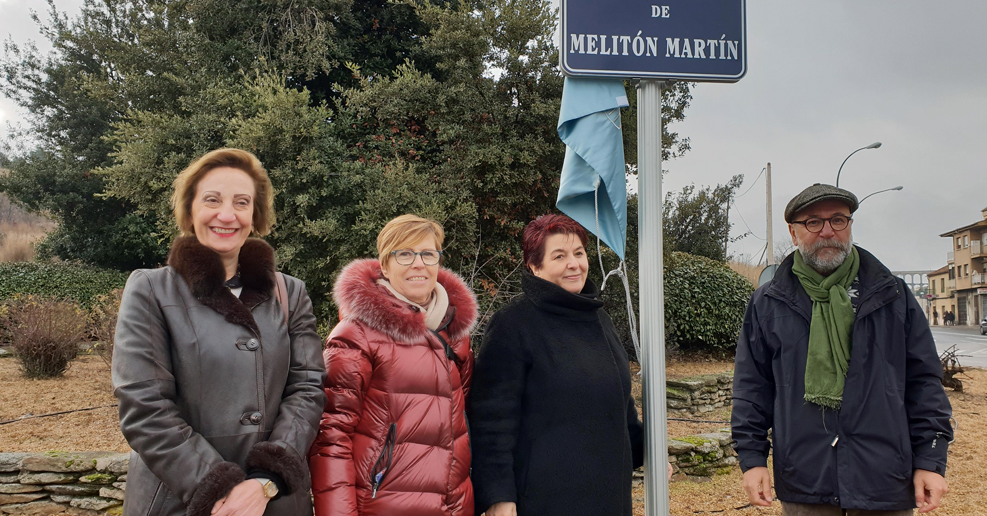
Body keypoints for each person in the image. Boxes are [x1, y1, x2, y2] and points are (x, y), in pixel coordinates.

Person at [112, 148, 327, 516]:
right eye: (212, 199)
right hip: (179, 499)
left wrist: (264, 480)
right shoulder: (151, 289)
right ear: (190, 208)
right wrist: (220, 487)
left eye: (241, 202)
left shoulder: (290, 293)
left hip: (275, 500)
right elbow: (144, 406)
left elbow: (307, 389)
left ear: (255, 215)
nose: (227, 215)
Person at [732, 184, 954, 516]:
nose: (827, 231)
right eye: (813, 222)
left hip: (884, 478)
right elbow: (752, 386)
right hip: (806, 479)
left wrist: (930, 460)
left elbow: (924, 381)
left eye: (838, 220)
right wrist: (752, 459)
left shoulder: (892, 295)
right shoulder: (768, 303)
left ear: (850, 226)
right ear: (793, 233)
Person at [468, 214, 643, 516]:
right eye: (559, 256)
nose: (574, 264)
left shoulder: (599, 318)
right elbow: (492, 419)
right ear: (535, 267)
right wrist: (499, 494)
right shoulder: (514, 323)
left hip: (609, 493)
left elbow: (619, 399)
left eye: (579, 253)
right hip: (544, 496)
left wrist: (647, 450)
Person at [309, 214, 478, 516]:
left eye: (428, 253)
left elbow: (463, 424)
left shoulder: (456, 334)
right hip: (382, 506)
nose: (418, 263)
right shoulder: (356, 334)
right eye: (405, 253)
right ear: (385, 266)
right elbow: (330, 437)